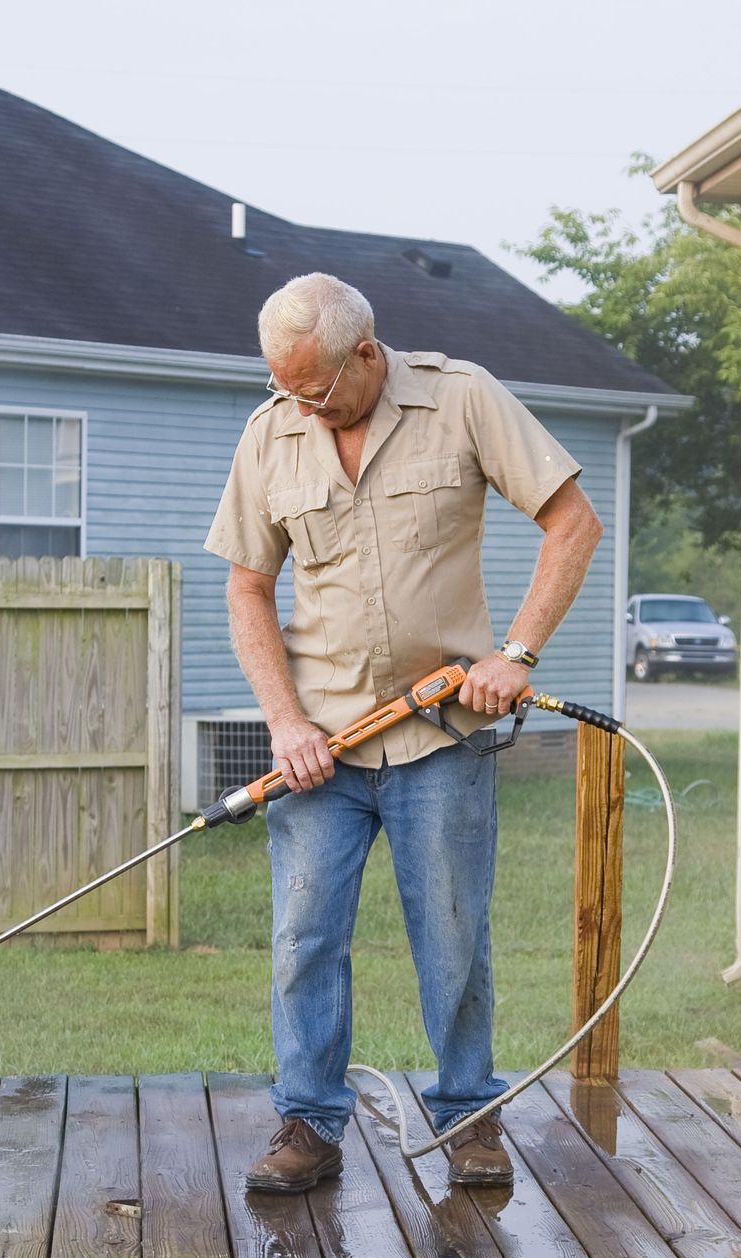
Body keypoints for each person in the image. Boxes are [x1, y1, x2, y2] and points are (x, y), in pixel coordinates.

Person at [206, 273, 602, 1192]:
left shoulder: (462, 399)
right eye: (282, 386)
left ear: (367, 355)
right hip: (321, 753)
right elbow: (247, 588)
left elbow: (571, 524)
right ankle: (307, 1125)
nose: (295, 404)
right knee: (305, 937)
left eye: (311, 386)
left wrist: (519, 653)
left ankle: (468, 1118)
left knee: (455, 936)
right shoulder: (270, 434)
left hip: (442, 736)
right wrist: (283, 720)